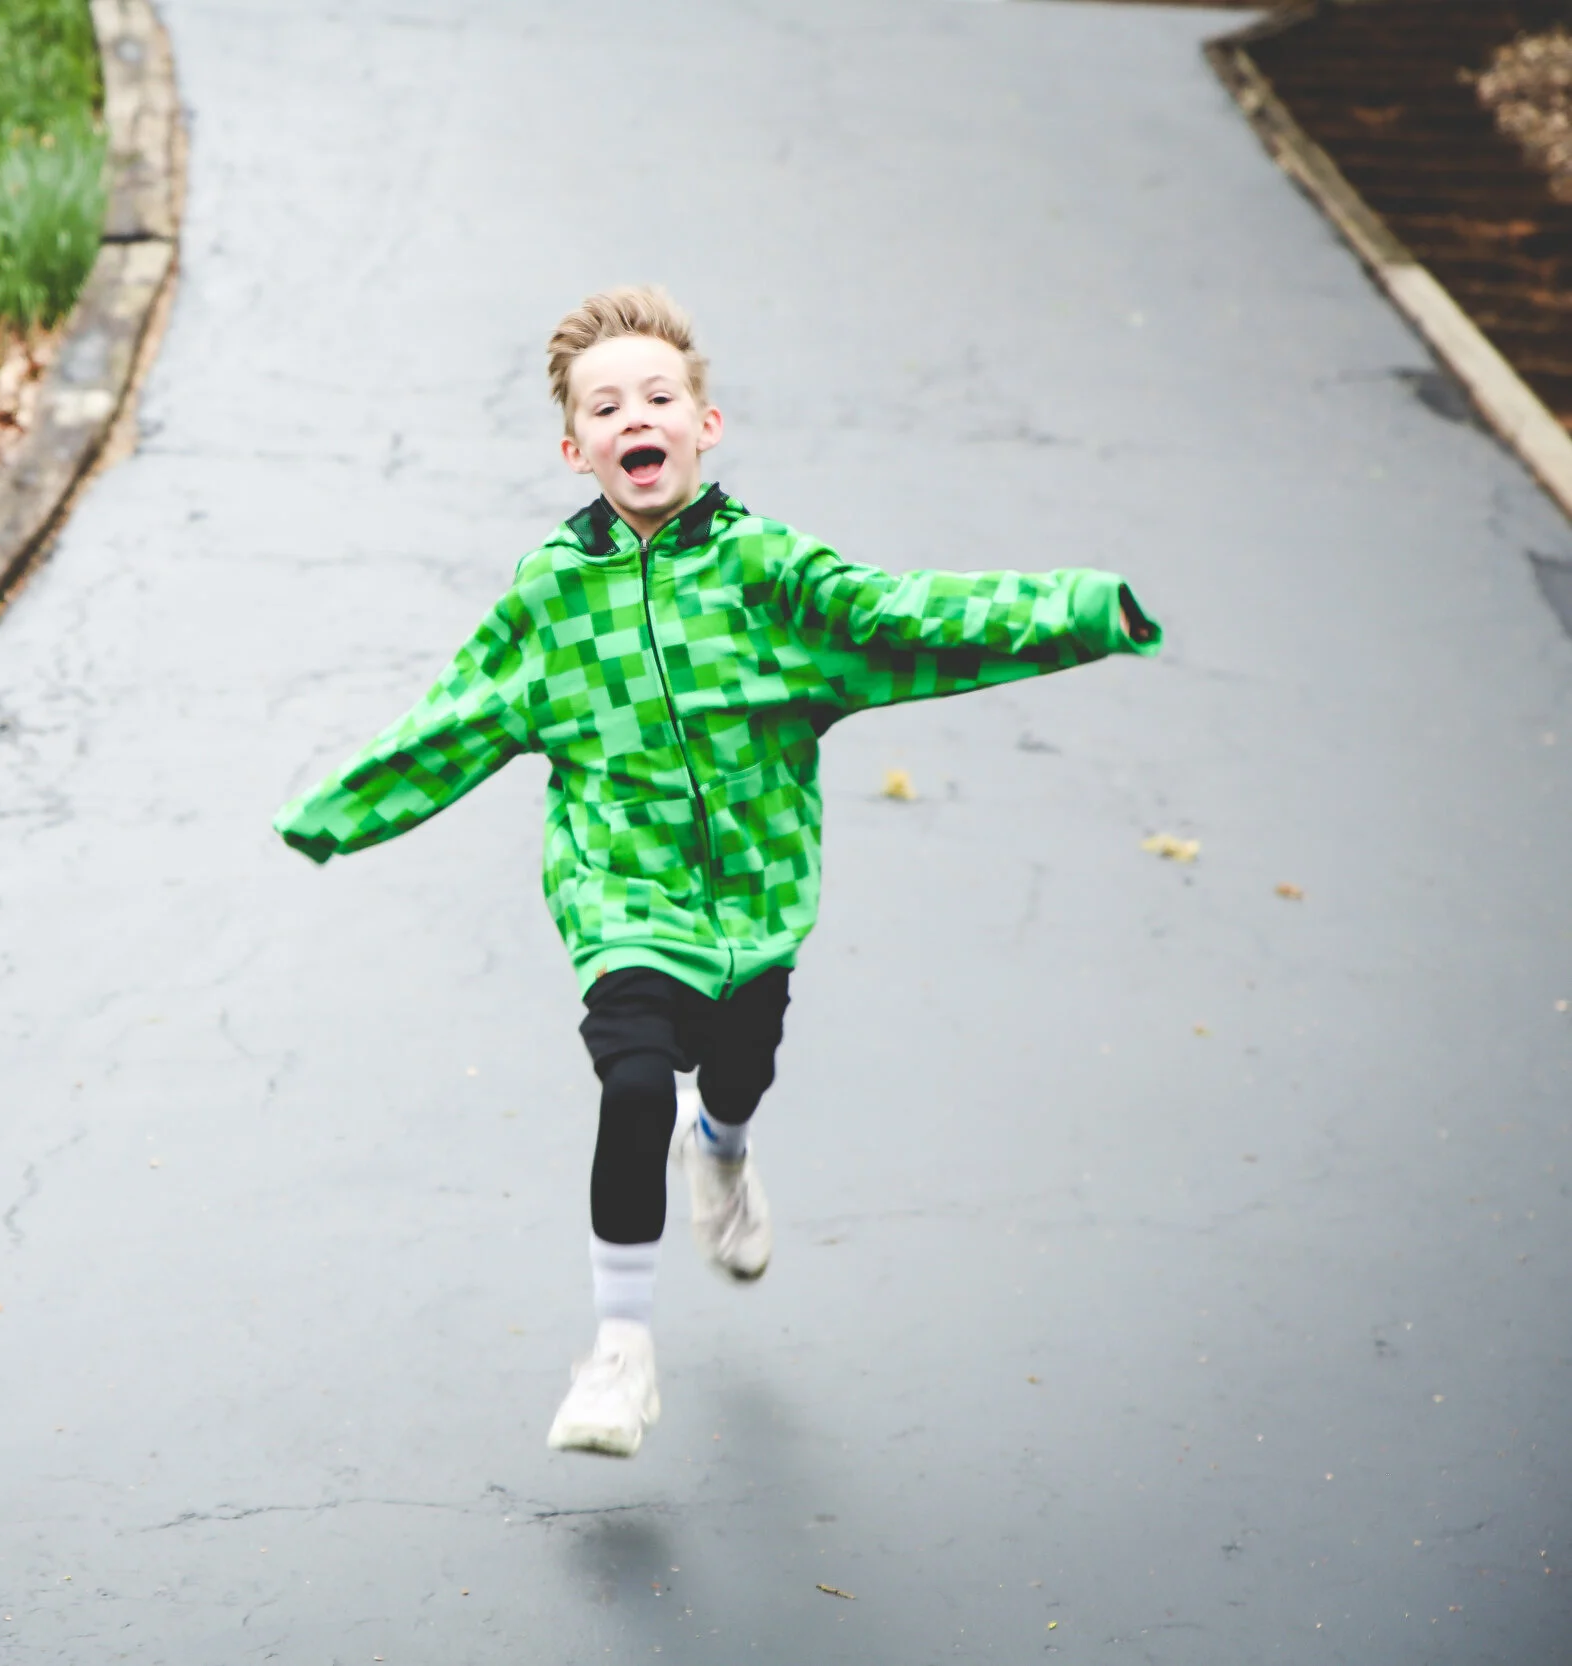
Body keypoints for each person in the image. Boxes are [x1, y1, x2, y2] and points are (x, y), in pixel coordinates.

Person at [272, 286, 1161, 1457]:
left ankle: (725, 1149)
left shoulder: (768, 574)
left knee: (736, 1070)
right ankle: (618, 1351)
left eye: (656, 396)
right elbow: (458, 716)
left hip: (758, 897)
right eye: (604, 407)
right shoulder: (550, 596)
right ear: (574, 447)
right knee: (637, 1085)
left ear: (704, 425)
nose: (633, 417)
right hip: (621, 895)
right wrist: (336, 813)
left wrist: (1080, 609)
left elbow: (906, 616)